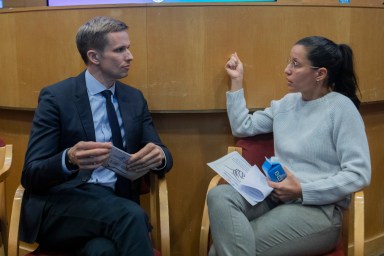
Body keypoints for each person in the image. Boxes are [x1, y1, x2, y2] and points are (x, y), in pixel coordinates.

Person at [20, 16, 173, 256]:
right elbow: (31, 174)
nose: (130, 56)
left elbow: (162, 152)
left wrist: (159, 156)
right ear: (94, 57)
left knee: (102, 250)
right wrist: (69, 158)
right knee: (132, 216)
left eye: (128, 48)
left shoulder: (134, 98)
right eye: (120, 50)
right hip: (64, 204)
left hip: (114, 202)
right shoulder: (57, 98)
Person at [207, 36, 371, 256]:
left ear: (320, 74)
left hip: (318, 210)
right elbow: (242, 127)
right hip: (274, 197)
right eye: (289, 62)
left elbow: (359, 174)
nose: (287, 69)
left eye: (296, 64)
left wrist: (302, 190)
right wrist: (237, 81)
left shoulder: (341, 108)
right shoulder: (287, 103)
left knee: (219, 250)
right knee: (219, 196)